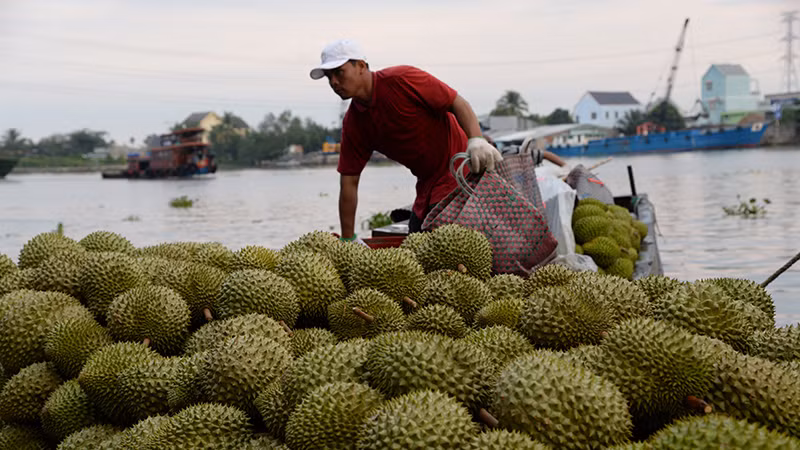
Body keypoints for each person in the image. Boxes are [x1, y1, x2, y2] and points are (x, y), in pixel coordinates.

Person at [310, 39, 503, 242]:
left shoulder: (402, 79)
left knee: (439, 246)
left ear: (361, 66)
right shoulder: (354, 124)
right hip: (427, 184)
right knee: (416, 241)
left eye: (339, 72)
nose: (333, 82)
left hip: (460, 172)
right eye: (329, 77)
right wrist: (348, 239)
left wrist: (476, 140)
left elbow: (457, 102)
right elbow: (349, 180)